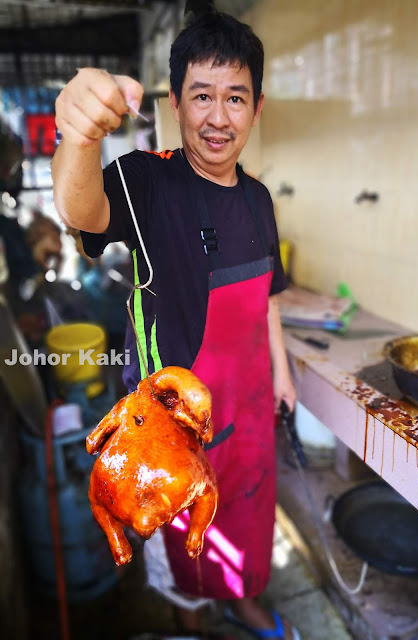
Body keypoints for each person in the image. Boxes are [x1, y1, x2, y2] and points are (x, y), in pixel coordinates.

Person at [52, 10, 298, 640]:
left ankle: (242, 598)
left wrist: (284, 374)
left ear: (257, 106)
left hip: (249, 409)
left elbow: (268, 295)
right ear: (175, 102)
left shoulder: (259, 200)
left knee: (245, 522)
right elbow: (84, 211)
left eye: (235, 97)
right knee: (178, 542)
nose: (219, 117)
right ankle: (192, 622)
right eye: (202, 96)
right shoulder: (148, 181)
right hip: (173, 427)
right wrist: (77, 137)